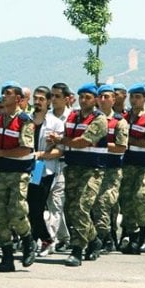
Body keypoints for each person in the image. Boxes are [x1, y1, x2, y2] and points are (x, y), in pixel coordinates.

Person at [48, 83, 108, 266]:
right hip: (73, 168)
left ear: (96, 99)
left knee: (81, 207)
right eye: (81, 97)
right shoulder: (73, 116)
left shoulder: (99, 119)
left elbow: (84, 142)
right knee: (71, 209)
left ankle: (77, 249)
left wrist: (60, 139)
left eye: (88, 97)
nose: (84, 100)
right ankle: (93, 240)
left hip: (92, 170)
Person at [0, 81, 37, 272]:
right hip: (0, 172)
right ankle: (7, 256)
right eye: (2, 93)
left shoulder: (25, 120)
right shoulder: (0, 119)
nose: (3, 96)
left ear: (17, 99)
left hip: (18, 173)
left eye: (7, 93)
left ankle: (27, 241)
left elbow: (25, 148)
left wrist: (1, 153)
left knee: (17, 212)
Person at [118, 83, 145, 255]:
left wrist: (127, 141)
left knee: (141, 196)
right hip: (127, 164)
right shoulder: (124, 118)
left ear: (144, 99)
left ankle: (144, 234)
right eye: (132, 97)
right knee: (126, 201)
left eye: (138, 97)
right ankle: (131, 235)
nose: (134, 100)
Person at [91, 85, 129, 252]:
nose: (103, 100)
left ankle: (104, 237)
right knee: (94, 205)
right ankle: (106, 236)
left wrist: (101, 144)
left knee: (104, 203)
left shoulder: (119, 121)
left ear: (114, 99)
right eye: (100, 97)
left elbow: (121, 147)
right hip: (92, 168)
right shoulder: (91, 119)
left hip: (111, 170)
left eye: (107, 96)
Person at [26, 86, 63, 257]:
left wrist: (42, 154)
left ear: (48, 101)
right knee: (30, 206)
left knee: (37, 206)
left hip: (43, 168)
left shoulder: (55, 123)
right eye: (36, 98)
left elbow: (60, 151)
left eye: (41, 99)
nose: (37, 102)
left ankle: (45, 238)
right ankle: (36, 238)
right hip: (28, 167)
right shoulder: (27, 120)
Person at [48, 82, 73, 251]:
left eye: (57, 96)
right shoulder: (47, 117)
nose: (54, 100)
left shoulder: (72, 118)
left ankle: (50, 239)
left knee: (59, 203)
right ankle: (61, 237)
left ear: (66, 99)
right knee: (53, 202)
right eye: (52, 96)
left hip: (67, 165)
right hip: (48, 164)